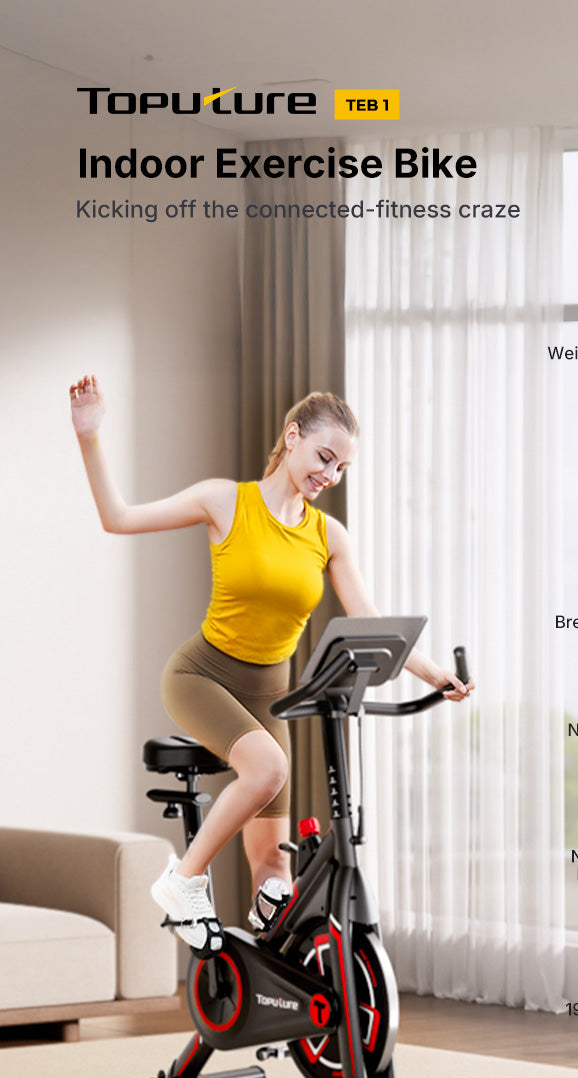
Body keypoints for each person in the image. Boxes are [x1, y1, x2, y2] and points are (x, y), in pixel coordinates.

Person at [69, 373, 473, 954]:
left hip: (270, 695)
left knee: (274, 883)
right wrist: (90, 436)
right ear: (292, 437)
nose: (329, 476)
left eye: (340, 469)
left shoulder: (328, 535)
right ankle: (181, 881)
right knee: (269, 770)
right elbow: (119, 518)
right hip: (202, 675)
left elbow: (371, 620)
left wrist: (437, 675)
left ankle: (264, 991)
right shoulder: (224, 501)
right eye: (323, 457)